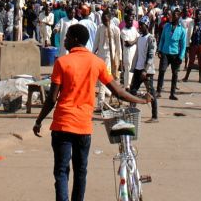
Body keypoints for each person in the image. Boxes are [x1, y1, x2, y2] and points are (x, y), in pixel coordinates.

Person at [33, 24, 152, 201]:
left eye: (67, 37)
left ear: (75, 39)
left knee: (61, 171)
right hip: (83, 127)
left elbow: (52, 98)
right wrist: (142, 100)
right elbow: (118, 91)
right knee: (81, 171)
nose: (64, 40)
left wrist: (39, 120)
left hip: (62, 125)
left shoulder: (62, 62)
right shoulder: (97, 63)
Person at [128, 17, 159, 122]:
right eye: (139, 25)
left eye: (142, 25)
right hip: (138, 68)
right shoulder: (140, 37)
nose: (140, 27)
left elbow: (151, 56)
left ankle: (155, 116)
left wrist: (145, 70)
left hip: (147, 71)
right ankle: (131, 113)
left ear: (147, 25)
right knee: (133, 91)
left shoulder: (151, 38)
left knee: (151, 93)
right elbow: (134, 43)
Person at [93, 12, 122, 109]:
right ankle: (105, 99)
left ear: (110, 19)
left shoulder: (115, 29)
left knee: (105, 80)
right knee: (102, 80)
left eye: (106, 20)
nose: (105, 22)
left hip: (111, 58)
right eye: (103, 20)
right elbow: (96, 42)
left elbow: (118, 46)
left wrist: (120, 60)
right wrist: (92, 54)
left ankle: (101, 104)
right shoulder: (100, 28)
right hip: (100, 56)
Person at [156, 13, 187, 100]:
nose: (172, 17)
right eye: (172, 16)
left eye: (174, 16)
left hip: (175, 54)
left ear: (178, 17)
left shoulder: (182, 30)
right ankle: (158, 91)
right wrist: (159, 50)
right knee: (162, 71)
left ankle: (172, 93)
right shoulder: (166, 26)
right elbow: (162, 39)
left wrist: (181, 57)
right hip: (165, 53)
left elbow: (183, 45)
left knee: (175, 74)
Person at [182, 10, 201, 83]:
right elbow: (188, 35)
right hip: (193, 44)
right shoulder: (191, 23)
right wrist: (187, 45)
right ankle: (186, 77)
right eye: (197, 14)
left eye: (200, 14)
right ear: (195, 14)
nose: (198, 16)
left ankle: (200, 78)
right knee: (191, 61)